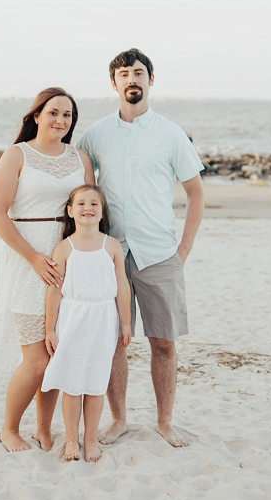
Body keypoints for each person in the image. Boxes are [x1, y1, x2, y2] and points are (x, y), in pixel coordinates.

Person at [76, 48, 205, 448]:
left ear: (151, 80)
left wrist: (182, 251)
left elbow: (196, 193)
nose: (132, 79)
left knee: (163, 342)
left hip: (159, 253)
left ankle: (165, 422)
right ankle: (119, 420)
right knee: (114, 340)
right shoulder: (94, 135)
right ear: (113, 83)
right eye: (124, 74)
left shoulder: (170, 133)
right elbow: (83, 193)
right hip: (110, 252)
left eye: (139, 73)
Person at [0, 88, 94, 452]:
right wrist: (34, 258)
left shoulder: (80, 158)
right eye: (53, 113)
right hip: (27, 260)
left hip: (69, 259)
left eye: (67, 115)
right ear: (36, 115)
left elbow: (90, 206)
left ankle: (44, 429)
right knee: (36, 360)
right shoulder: (17, 155)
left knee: (57, 353)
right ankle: (9, 428)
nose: (60, 121)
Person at [41, 185, 132, 462]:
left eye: (94, 203)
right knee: (72, 384)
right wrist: (49, 329)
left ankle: (90, 440)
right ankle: (71, 439)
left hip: (104, 319)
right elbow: (54, 291)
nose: (87, 208)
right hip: (73, 320)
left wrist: (125, 322)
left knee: (95, 383)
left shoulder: (112, 245)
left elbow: (122, 286)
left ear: (102, 211)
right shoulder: (64, 248)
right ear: (70, 211)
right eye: (81, 204)